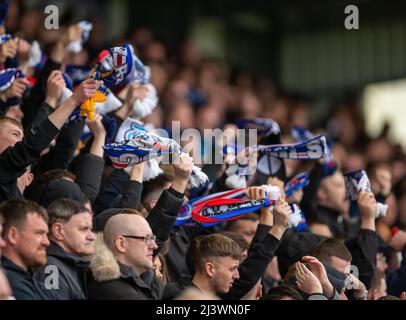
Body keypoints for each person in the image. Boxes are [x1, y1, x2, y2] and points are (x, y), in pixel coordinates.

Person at [35, 198, 95, 300]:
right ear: (58, 231)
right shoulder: (51, 268)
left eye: (91, 230)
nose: (91, 237)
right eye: (84, 229)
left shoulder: (67, 265)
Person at [0, 199, 56, 299]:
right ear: (13, 235)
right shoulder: (7, 285)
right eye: (39, 233)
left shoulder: (32, 277)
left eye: (46, 234)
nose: (46, 242)